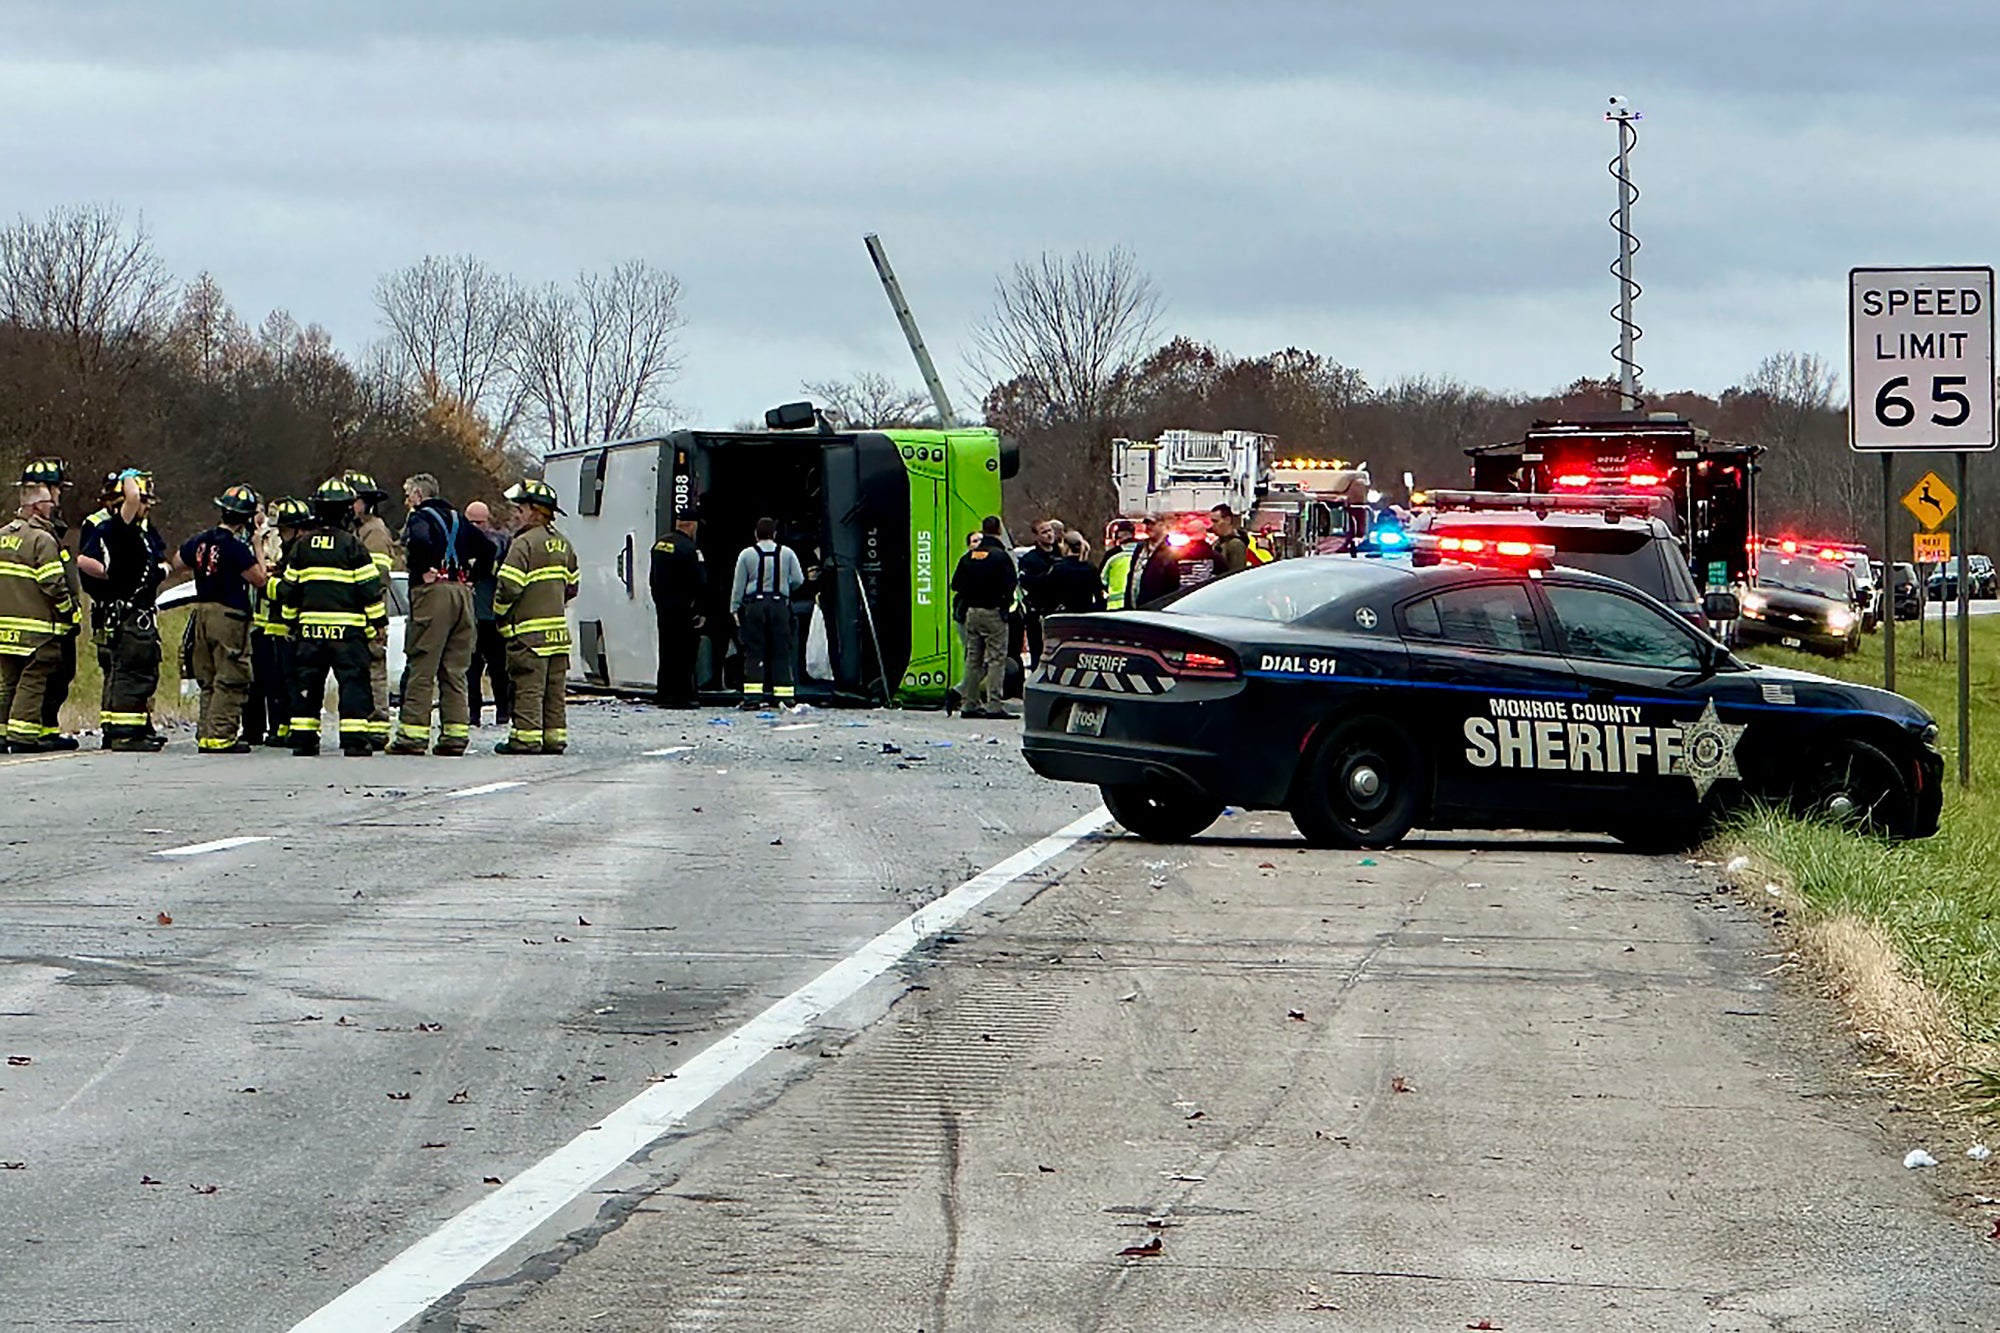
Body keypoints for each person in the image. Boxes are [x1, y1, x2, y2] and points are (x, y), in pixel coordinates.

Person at [388, 474, 493, 756]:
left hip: (433, 595)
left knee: (423, 665)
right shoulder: (459, 519)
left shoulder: (420, 517)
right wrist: (472, 577)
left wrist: (422, 569)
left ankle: (412, 736)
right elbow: (489, 549)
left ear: (419, 495)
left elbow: (419, 541)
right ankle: (455, 736)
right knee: (455, 670)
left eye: (408, 495)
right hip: (462, 595)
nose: (407, 500)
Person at [282, 478, 386, 757]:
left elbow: (290, 591)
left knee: (308, 684)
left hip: (310, 633)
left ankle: (304, 740)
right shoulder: (353, 546)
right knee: (353, 685)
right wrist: (378, 624)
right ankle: (354, 741)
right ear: (346, 510)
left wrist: (291, 622)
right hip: (347, 634)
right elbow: (370, 590)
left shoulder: (301, 547)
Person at [177, 485, 269, 754]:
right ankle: (222, 736)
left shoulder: (202, 540)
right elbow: (259, 579)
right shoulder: (235, 548)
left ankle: (206, 733)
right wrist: (257, 546)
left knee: (208, 676)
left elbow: (178, 560)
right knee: (231, 676)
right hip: (228, 616)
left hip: (201, 612)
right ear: (247, 518)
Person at [493, 479, 579, 755]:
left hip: (528, 634)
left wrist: (500, 615)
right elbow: (572, 586)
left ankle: (526, 739)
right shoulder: (563, 544)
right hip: (557, 635)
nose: (517, 513)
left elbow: (508, 587)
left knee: (528, 687)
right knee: (554, 690)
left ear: (533, 510)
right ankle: (554, 739)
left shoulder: (524, 544)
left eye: (520, 508)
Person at [0, 469, 80, 752]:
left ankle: (2, 733)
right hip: (38, 630)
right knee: (32, 681)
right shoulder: (41, 539)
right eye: (50, 501)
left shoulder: (4, 536)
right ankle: (22, 736)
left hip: (6, 629)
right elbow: (53, 584)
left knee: (8, 681)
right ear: (36, 505)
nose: (54, 505)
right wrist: (70, 612)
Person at [92, 471, 171, 751]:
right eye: (142, 501)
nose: (146, 507)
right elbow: (86, 564)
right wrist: (130, 479)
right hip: (130, 616)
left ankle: (126, 730)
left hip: (130, 614)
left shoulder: (137, 532)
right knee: (132, 675)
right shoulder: (119, 530)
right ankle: (125, 734)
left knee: (131, 672)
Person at [729, 517, 804, 710]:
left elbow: (738, 584)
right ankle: (785, 697)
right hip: (780, 606)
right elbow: (798, 579)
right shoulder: (787, 553)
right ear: (775, 534)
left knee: (754, 652)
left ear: (756, 534)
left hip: (755, 606)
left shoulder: (747, 555)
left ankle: (753, 698)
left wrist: (735, 608)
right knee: (781, 651)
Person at [345, 471, 396, 750]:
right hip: (358, 613)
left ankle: (377, 726)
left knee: (374, 667)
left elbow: (377, 577)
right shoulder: (358, 530)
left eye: (353, 501)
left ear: (366, 503)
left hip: (370, 613)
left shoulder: (374, 531)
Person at [254, 497, 310, 746]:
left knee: (291, 681)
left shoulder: (299, 551)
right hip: (279, 626)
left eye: (285, 529)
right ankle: (283, 727)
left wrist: (267, 583)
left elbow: (289, 590)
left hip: (291, 627)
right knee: (279, 681)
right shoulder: (293, 550)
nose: (282, 534)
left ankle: (291, 728)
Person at [951, 515, 1016, 720]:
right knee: (996, 659)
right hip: (993, 612)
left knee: (973, 659)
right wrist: (1003, 601)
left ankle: (969, 704)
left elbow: (956, 585)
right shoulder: (1000, 556)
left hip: (971, 612)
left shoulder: (968, 557)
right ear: (997, 531)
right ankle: (994, 704)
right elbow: (1010, 584)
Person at [464, 500, 512, 727]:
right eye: (471, 522)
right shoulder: (459, 544)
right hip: (469, 618)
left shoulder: (500, 543)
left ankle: (503, 711)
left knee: (498, 669)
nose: (475, 526)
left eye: (479, 522)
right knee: (470, 671)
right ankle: (473, 714)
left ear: (488, 521)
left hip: (492, 617)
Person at [649, 513, 705, 708]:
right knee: (685, 653)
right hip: (684, 609)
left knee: (666, 651)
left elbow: (652, 578)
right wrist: (700, 610)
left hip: (664, 607)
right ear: (692, 526)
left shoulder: (659, 545)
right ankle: (683, 696)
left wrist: (659, 600)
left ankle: (664, 694)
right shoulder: (690, 549)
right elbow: (700, 582)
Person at [1016, 519, 1062, 669]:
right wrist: (1049, 576)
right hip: (1038, 612)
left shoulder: (1062, 555)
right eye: (1044, 532)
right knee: (1038, 651)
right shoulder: (1030, 559)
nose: (1049, 535)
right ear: (1036, 537)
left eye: (1050, 531)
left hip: (1060, 610)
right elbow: (1026, 582)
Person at [1041, 531, 1107, 615]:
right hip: (1087, 615)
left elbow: (1049, 595)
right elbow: (1099, 595)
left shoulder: (1058, 569)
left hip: (1064, 616)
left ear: (1066, 546)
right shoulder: (1090, 569)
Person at [1131, 515, 1181, 609]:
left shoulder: (1170, 553)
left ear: (1163, 525)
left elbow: (1174, 587)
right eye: (1146, 524)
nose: (1148, 527)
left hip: (1157, 609)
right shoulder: (1139, 549)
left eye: (1152, 524)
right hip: (1136, 608)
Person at [1209, 504, 1251, 578]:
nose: (1212, 525)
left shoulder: (1235, 544)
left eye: (1215, 521)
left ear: (1228, 520)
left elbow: (1236, 575)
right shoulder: (1217, 543)